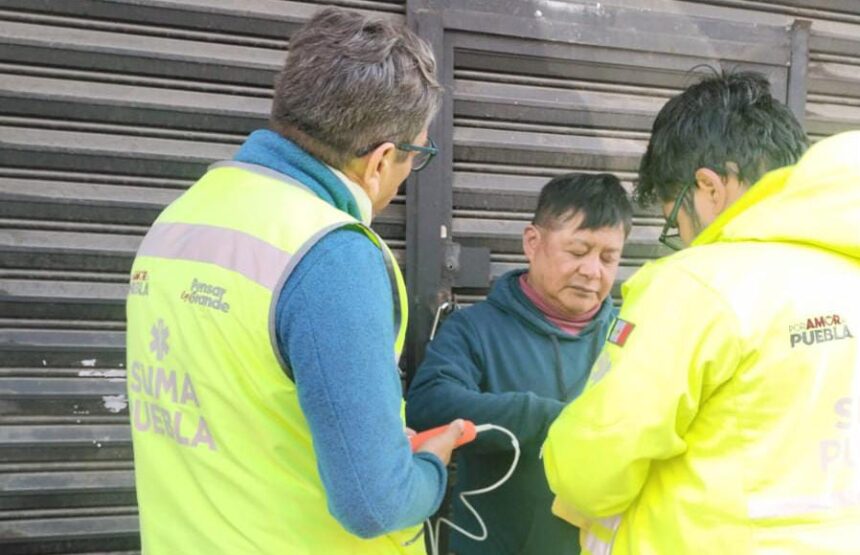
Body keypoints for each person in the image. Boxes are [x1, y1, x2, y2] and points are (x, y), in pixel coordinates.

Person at [125, 7, 465, 554]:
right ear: (381, 160)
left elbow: (236, 408)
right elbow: (374, 503)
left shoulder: (181, 220)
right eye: (415, 157)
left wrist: (367, 441)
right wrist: (428, 469)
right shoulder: (331, 255)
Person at [543, 71, 860, 554]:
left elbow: (594, 465)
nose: (685, 239)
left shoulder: (699, 285)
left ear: (709, 186)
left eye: (675, 218)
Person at [407, 173, 634, 554]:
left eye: (608, 258)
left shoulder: (628, 337)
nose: (592, 271)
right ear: (532, 242)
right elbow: (428, 405)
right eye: (578, 251)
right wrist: (541, 417)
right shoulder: (475, 328)